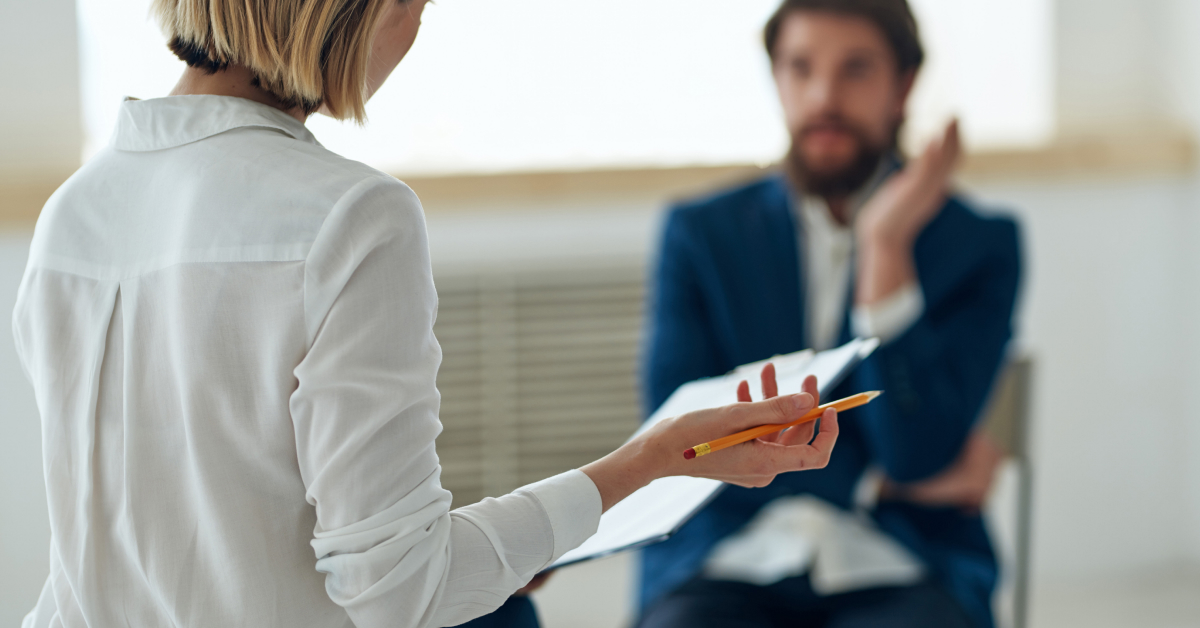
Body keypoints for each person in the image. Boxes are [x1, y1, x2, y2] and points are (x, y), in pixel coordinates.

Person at [12, 1, 844, 627]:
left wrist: (496, 551)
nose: (413, 31)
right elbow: (398, 595)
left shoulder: (74, 213)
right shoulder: (350, 215)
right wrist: (654, 460)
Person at [639, 1, 1022, 627]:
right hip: (725, 558)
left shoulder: (980, 245)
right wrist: (872, 484)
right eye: (800, 68)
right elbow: (684, 441)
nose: (823, 96)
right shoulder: (700, 235)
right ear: (776, 78)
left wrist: (885, 247)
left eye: (856, 69)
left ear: (904, 85)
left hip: (907, 562)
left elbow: (917, 455)